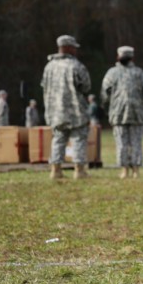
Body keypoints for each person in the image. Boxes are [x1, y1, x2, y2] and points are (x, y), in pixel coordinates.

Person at [101, 46, 143, 179]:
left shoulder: (111, 73)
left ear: (118, 57)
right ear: (132, 58)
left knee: (121, 142)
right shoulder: (139, 73)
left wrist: (105, 107)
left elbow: (105, 93)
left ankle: (124, 170)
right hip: (136, 113)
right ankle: (136, 171)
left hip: (118, 114)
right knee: (136, 142)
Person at [41, 35, 92, 179]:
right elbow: (86, 86)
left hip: (55, 111)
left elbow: (44, 87)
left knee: (58, 139)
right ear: (68, 48)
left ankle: (55, 171)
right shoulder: (76, 65)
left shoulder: (49, 67)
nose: (76, 50)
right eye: (74, 47)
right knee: (78, 139)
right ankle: (79, 170)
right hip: (75, 111)